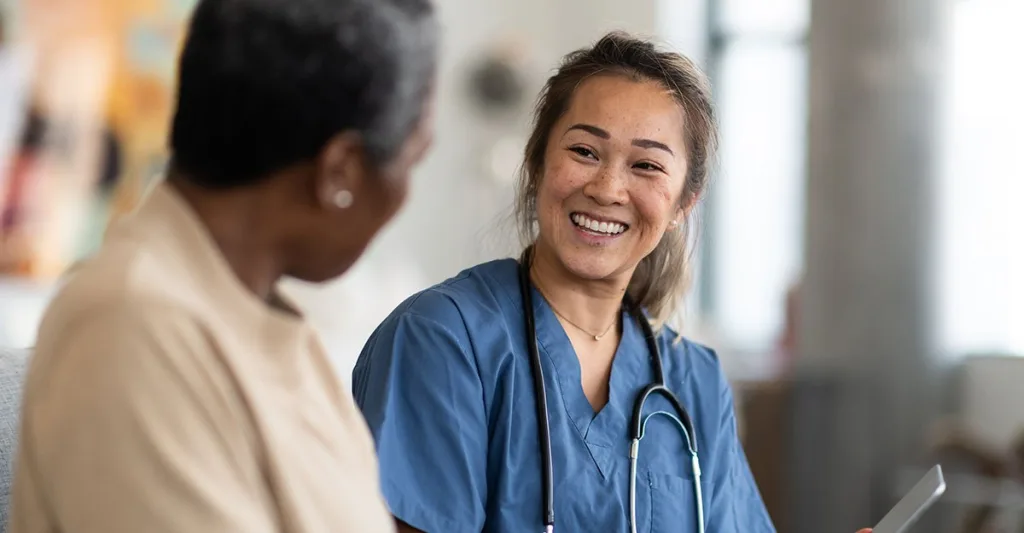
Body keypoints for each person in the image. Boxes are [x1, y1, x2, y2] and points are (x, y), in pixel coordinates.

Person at [353, 33, 872, 533]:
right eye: (584, 151)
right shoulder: (442, 341)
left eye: (646, 165)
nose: (607, 188)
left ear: (681, 205)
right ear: (536, 164)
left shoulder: (693, 380)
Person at [8, 0, 437, 531]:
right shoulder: (133, 326)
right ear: (342, 173)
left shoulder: (261, 320)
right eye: (411, 160)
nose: (404, 196)